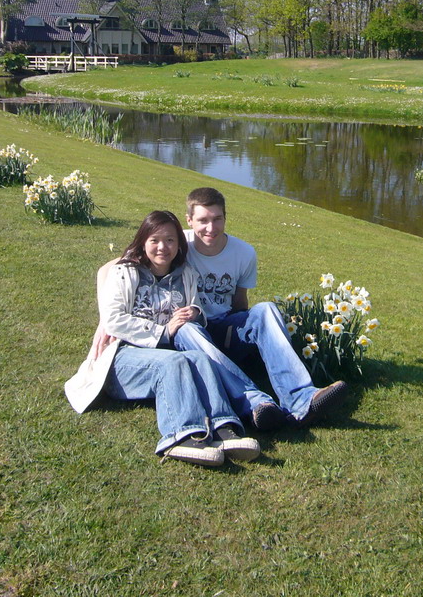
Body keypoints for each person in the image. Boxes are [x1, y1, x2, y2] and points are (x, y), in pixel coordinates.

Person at [64, 210, 260, 467]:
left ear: (179, 244)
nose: (162, 247)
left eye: (170, 240)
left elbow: (196, 311)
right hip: (122, 359)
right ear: (143, 241)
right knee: (173, 362)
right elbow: (114, 320)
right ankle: (183, 436)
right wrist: (164, 331)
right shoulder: (125, 272)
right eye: (155, 240)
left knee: (199, 358)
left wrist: (195, 312)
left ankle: (224, 428)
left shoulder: (185, 275)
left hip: (162, 356)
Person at [172, 187, 347, 429]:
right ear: (189, 220)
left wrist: (249, 334)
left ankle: (301, 399)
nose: (210, 228)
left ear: (225, 217)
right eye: (202, 220)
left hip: (224, 328)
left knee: (265, 309)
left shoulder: (243, 252)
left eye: (217, 219)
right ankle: (257, 404)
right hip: (192, 331)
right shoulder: (176, 245)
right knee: (186, 329)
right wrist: (109, 321)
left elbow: (240, 303)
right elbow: (128, 261)